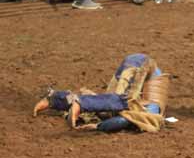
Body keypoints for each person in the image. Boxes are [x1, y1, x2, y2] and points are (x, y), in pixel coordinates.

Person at [33, 53, 170, 132]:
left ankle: (57, 99)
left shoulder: (130, 112)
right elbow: (121, 121)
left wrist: (97, 126)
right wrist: (98, 127)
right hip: (141, 65)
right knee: (124, 101)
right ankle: (74, 102)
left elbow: (121, 120)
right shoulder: (146, 112)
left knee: (117, 103)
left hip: (136, 69)